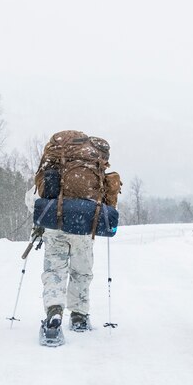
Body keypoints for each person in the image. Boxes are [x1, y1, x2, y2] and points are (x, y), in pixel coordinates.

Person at [28, 130, 121, 346]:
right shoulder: (94, 165)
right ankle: (79, 316)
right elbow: (108, 199)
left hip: (56, 224)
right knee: (81, 271)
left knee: (54, 271)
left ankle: (53, 314)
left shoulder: (54, 165)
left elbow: (37, 196)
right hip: (84, 224)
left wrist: (39, 224)